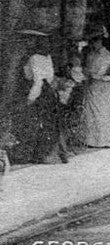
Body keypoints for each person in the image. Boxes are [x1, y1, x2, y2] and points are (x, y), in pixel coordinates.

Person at [9, 30, 68, 164]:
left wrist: (31, 97)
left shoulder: (34, 58)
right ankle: (52, 153)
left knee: (39, 123)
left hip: (40, 92)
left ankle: (41, 154)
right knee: (50, 122)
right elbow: (50, 78)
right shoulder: (47, 57)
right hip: (49, 92)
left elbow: (37, 81)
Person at [80, 27, 110, 148]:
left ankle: (106, 141)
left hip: (105, 89)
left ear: (101, 41)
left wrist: (104, 76)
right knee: (91, 115)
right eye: (92, 41)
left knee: (104, 115)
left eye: (96, 40)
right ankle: (92, 141)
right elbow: (86, 72)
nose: (93, 43)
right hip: (92, 88)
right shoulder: (90, 56)